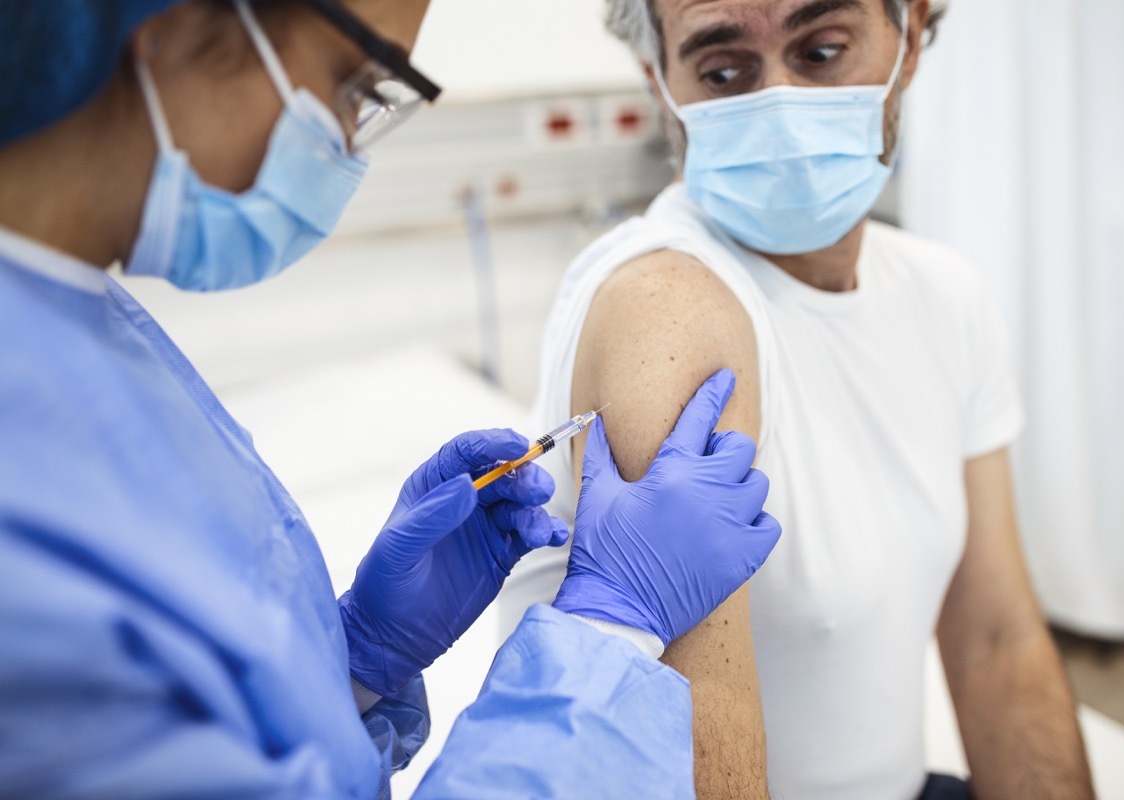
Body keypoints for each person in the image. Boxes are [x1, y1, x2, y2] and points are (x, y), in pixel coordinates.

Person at [0, 1, 783, 797]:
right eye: (352, 85)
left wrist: (353, 665)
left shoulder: (76, 319)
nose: (347, 145)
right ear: (180, 23)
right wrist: (611, 628)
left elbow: (195, 721)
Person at [502, 0, 1097, 798]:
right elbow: (695, 738)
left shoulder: (945, 294)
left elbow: (997, 638)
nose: (778, 102)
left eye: (820, 50)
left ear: (910, 36)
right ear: (661, 82)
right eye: (723, 72)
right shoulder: (668, 307)